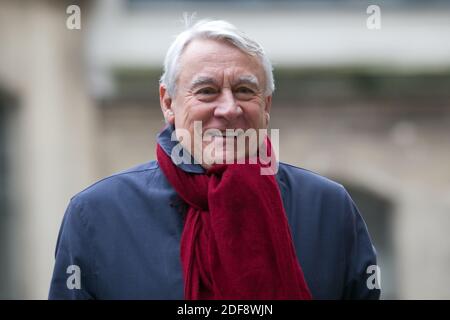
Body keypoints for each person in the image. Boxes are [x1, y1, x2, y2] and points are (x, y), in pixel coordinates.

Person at [49, 19, 380, 300]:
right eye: (206, 91)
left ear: (266, 106)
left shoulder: (328, 208)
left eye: (244, 91)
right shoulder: (96, 214)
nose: (229, 109)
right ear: (168, 102)